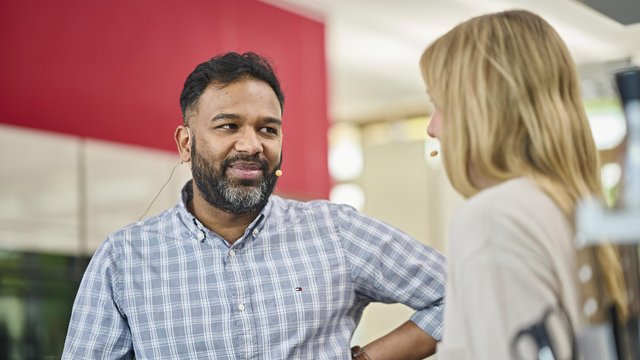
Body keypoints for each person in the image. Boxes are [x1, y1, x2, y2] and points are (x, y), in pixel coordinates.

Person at [62, 51, 446, 359]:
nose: (251, 145)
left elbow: (458, 294)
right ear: (185, 144)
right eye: (228, 126)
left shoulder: (335, 231)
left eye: (268, 129)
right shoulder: (124, 259)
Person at [419, 9, 624, 359]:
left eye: (439, 105)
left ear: (480, 110)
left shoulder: (492, 217)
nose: (432, 128)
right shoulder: (576, 210)